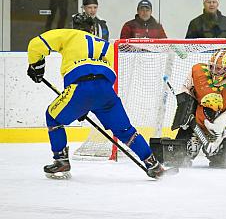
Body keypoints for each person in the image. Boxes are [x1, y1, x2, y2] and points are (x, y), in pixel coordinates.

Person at [27, 13, 170, 180]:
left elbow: (36, 44)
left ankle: (61, 160)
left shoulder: (69, 34)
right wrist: (89, 103)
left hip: (80, 87)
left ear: (75, 27)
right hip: (106, 91)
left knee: (53, 117)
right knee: (126, 131)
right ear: (94, 29)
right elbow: (112, 73)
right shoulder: (106, 45)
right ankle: (153, 164)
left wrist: (37, 66)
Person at [174, 49, 226, 167]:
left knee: (221, 161)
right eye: (212, 67)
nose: (214, 71)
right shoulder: (198, 71)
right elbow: (186, 90)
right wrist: (185, 113)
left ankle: (214, 142)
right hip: (195, 119)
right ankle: (194, 138)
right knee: (178, 157)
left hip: (218, 123)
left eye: (218, 68)